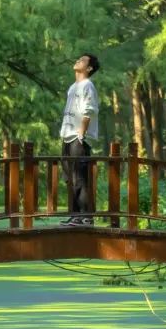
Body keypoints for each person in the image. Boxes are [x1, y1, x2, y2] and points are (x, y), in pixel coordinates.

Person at [60, 52, 100, 225]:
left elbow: (89, 110)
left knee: (79, 177)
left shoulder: (87, 85)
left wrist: (81, 135)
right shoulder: (72, 87)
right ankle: (75, 215)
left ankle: (86, 216)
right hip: (67, 137)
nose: (78, 60)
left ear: (89, 68)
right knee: (70, 177)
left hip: (78, 138)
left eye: (83, 60)